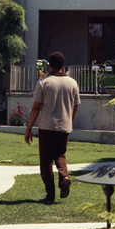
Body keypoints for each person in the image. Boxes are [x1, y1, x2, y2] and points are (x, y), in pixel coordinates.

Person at [25, 51, 81, 205]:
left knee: (46, 161)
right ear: (63, 65)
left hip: (47, 127)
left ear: (49, 65)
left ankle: (50, 196)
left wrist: (28, 128)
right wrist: (69, 121)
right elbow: (75, 107)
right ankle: (64, 177)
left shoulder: (43, 83)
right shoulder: (72, 83)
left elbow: (36, 108)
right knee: (60, 155)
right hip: (64, 127)